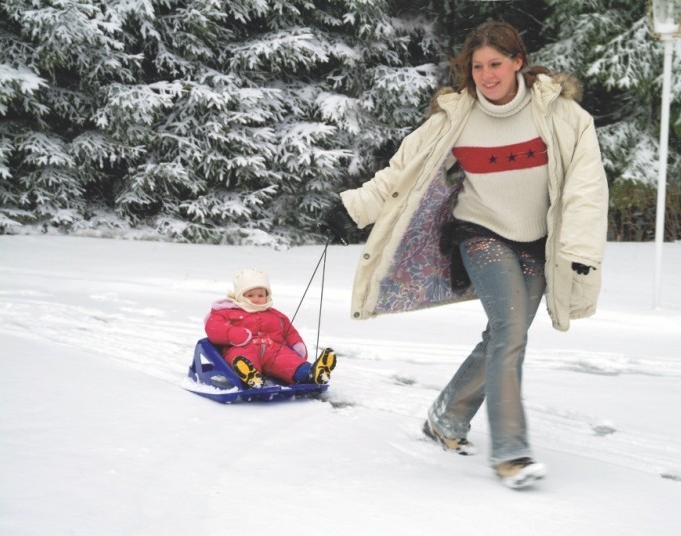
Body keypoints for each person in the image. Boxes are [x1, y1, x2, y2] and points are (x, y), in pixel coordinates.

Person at [322, 21, 608, 489]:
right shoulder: (455, 118)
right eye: (477, 67)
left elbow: (586, 187)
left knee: (501, 334)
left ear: (518, 62)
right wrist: (355, 209)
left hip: (539, 244)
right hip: (480, 233)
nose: (486, 75)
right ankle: (511, 452)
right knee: (511, 333)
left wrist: (577, 246)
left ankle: (446, 416)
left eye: (496, 64)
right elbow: (401, 169)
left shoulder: (562, 117)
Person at [205, 268, 336, 388]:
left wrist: (297, 344)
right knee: (243, 358)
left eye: (261, 295)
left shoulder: (275, 314)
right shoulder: (228, 311)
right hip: (243, 347)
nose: (256, 299)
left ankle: (312, 373)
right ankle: (251, 376)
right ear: (240, 296)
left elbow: (289, 331)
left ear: (267, 296)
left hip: (273, 349)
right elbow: (213, 327)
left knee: (288, 360)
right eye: (250, 295)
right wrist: (233, 334)